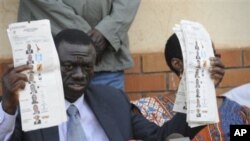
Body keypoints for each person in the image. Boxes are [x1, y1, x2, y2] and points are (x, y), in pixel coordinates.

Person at [0, 29, 205, 141]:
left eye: (87, 67)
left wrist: (201, 90)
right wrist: (8, 107)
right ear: (52, 64)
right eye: (69, 66)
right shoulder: (27, 108)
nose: (80, 75)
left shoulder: (113, 100)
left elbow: (162, 136)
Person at [133, 33, 250, 141]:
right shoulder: (147, 110)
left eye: (213, 55)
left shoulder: (238, 112)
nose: (211, 62)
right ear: (177, 64)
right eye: (201, 55)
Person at [18, 0, 141, 90]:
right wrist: (86, 40)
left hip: (106, 61)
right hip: (52, 62)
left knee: (110, 122)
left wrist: (107, 31)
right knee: (52, 124)